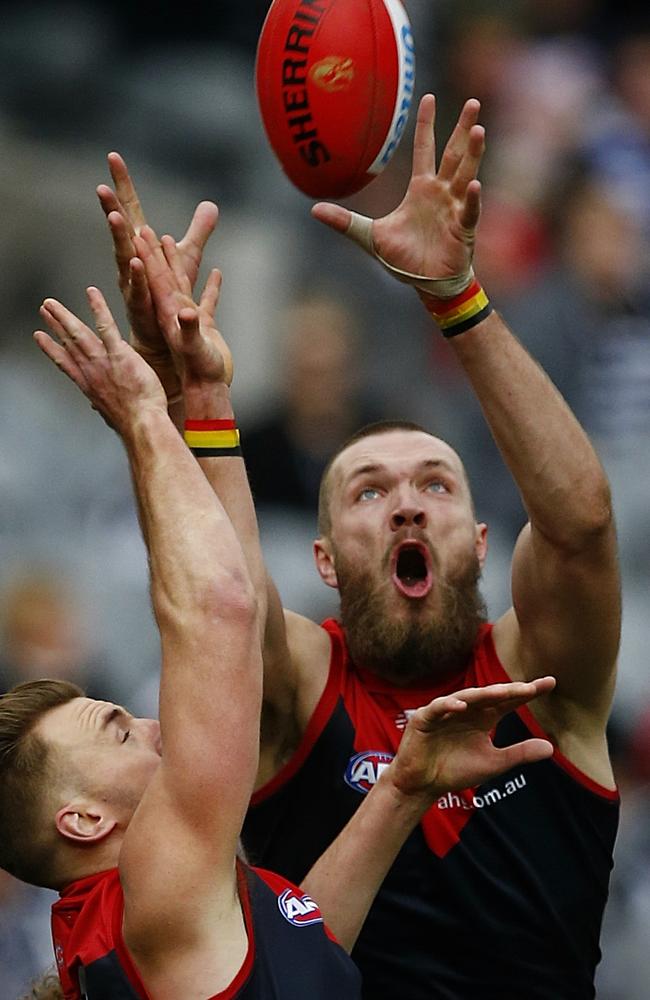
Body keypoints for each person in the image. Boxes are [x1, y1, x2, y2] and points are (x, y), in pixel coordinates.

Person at [98, 94, 621, 999]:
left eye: (437, 486)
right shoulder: (303, 686)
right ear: (327, 559)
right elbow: (225, 608)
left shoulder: (543, 676)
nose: (408, 508)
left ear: (483, 539)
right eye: (370, 493)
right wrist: (193, 398)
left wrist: (455, 295)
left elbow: (579, 524)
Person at [0, 282, 555, 999]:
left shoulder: (150, 916)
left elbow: (303, 947)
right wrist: (147, 416)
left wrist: (402, 789)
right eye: (116, 732)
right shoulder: (154, 886)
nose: (147, 723)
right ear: (82, 820)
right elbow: (224, 611)